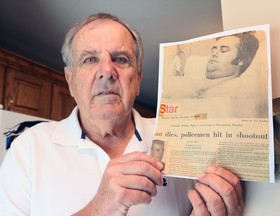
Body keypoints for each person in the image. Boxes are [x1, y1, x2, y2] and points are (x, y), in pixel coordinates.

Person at [0, 13, 244, 215]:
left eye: (120, 59)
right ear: (70, 80)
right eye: (89, 59)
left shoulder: (181, 136)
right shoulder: (28, 148)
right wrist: (100, 207)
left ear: (137, 80)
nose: (107, 71)